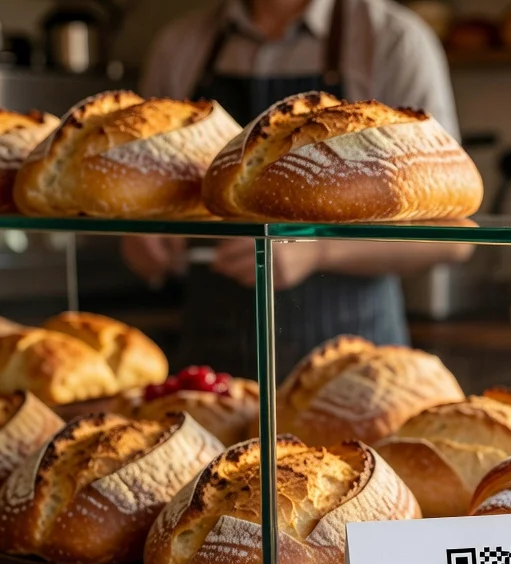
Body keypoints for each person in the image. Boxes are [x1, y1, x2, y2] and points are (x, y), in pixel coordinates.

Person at [124, 0, 471, 375]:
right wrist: (143, 233)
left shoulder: (392, 39)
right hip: (212, 361)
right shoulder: (181, 44)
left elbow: (454, 238)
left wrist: (318, 250)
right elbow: (146, 184)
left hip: (352, 364)